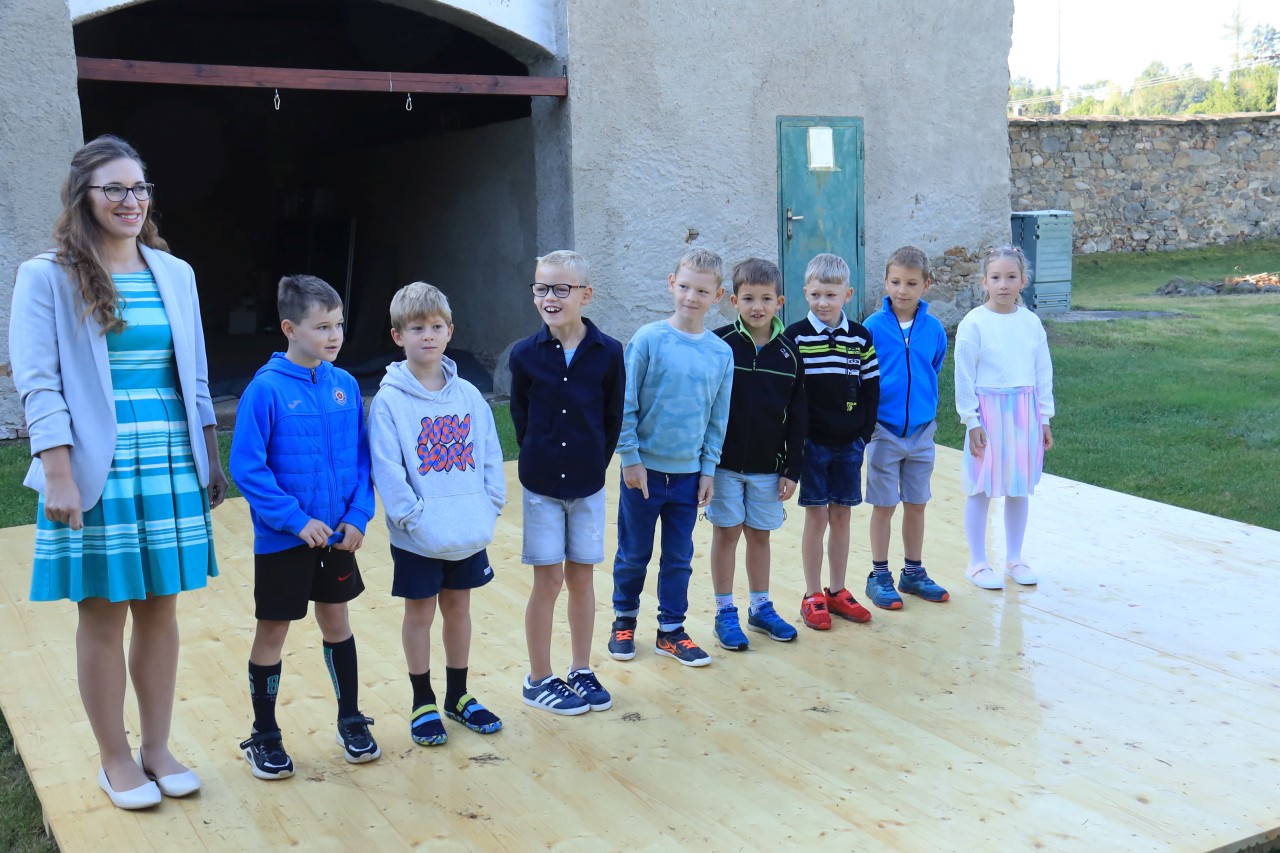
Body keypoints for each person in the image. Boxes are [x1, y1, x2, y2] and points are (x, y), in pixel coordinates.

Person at [9, 135, 225, 809]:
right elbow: (38, 383)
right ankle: (114, 759)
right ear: (84, 196)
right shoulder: (46, 275)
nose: (131, 201)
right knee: (102, 612)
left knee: (161, 607)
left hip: (168, 455)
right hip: (95, 461)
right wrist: (58, 473)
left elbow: (193, 374)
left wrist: (209, 454)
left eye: (139, 188)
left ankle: (158, 749)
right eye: (114, 189)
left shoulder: (174, 272)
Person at [230, 274, 379, 780]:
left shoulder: (346, 386)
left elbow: (363, 460)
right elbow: (247, 468)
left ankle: (350, 719)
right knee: (273, 630)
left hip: (337, 537)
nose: (334, 336)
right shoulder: (265, 390)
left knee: (337, 622)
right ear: (290, 329)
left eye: (338, 325)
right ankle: (264, 735)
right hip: (284, 540)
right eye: (322, 327)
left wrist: (357, 515)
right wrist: (294, 521)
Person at [369, 282, 506, 744]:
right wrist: (413, 517)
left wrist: (491, 502)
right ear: (398, 336)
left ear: (450, 331)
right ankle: (422, 700)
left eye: (435, 326)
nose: (427, 335)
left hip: (467, 527)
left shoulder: (468, 395)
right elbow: (387, 468)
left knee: (459, 607)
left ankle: (458, 696)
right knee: (420, 612)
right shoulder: (390, 401)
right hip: (418, 535)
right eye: (416, 328)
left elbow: (489, 451)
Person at [510, 251, 624, 714]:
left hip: (587, 486)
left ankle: (581, 668)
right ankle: (538, 678)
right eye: (542, 289)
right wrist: (540, 458)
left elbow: (612, 418)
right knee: (549, 579)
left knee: (581, 576)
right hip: (541, 488)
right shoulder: (523, 354)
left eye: (561, 289)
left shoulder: (609, 352)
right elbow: (521, 417)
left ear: (586, 294)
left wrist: (592, 464)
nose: (550, 298)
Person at [608, 247, 734, 667]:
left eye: (702, 291)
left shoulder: (721, 353)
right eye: (684, 287)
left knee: (679, 558)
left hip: (688, 477)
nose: (691, 297)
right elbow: (625, 404)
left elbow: (718, 417)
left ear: (717, 296)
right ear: (671, 284)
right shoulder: (648, 339)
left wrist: (708, 469)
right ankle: (624, 620)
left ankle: (671, 630)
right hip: (643, 472)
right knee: (633, 554)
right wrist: (629, 457)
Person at [706, 258, 806, 651]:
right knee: (726, 533)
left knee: (759, 536)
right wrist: (704, 465)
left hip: (769, 469)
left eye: (766, 298)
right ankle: (724, 611)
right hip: (723, 466)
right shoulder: (719, 346)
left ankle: (760, 608)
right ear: (734, 301)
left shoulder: (790, 353)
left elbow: (799, 416)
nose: (757, 306)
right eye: (748, 298)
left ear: (780, 302)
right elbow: (704, 406)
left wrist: (792, 469)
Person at [784, 253, 880, 630]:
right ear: (805, 292)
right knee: (817, 516)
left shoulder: (860, 337)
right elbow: (789, 395)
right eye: (815, 295)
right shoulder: (795, 337)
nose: (823, 303)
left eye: (831, 295)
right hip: (811, 445)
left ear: (847, 295)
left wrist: (864, 432)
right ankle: (813, 595)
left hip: (849, 444)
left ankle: (837, 591)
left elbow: (871, 387)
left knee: (842, 515)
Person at [954, 246, 1055, 589]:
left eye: (1011, 277)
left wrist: (1044, 417)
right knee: (980, 487)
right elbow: (964, 376)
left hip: (1024, 412)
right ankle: (977, 562)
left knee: (1018, 487)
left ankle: (1014, 558)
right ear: (984, 281)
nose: (1003, 284)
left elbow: (1043, 371)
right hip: (987, 413)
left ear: (1023, 281)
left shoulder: (1031, 323)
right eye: (995, 277)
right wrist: (971, 420)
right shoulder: (974, 323)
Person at [861, 247, 951, 610]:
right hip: (883, 432)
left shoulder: (934, 329)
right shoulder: (872, 327)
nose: (903, 290)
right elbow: (863, 376)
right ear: (886, 282)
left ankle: (912, 572)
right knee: (884, 505)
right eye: (896, 282)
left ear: (926, 285)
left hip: (922, 433)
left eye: (912, 283)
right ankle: (879, 575)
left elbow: (934, 366)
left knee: (917, 503)